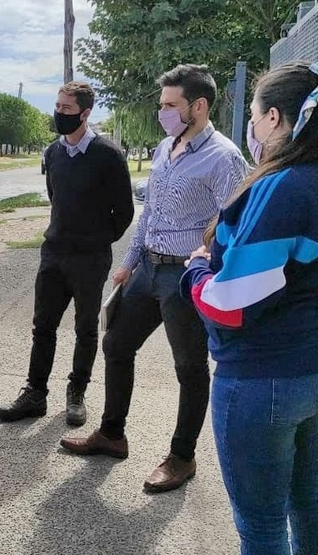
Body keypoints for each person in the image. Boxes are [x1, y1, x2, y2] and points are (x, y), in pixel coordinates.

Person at [182, 50, 318, 554]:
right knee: (305, 494)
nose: (250, 127)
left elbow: (230, 306)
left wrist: (197, 267)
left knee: (261, 525)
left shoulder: (283, 185)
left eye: (252, 116)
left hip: (266, 379)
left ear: (273, 118)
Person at [60, 65, 249, 493]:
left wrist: (206, 263)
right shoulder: (166, 148)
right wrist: (128, 262)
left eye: (169, 105)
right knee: (116, 344)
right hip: (148, 268)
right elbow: (149, 214)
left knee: (189, 367)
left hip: (185, 276)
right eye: (161, 103)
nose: (161, 111)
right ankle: (112, 433)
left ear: (197, 107)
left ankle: (182, 457)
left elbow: (234, 225)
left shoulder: (223, 157)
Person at [0, 81, 134, 427]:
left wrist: (96, 239)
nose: (59, 114)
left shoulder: (108, 155)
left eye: (66, 109)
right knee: (43, 326)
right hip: (53, 254)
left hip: (90, 258)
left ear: (85, 114)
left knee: (85, 328)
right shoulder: (52, 153)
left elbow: (125, 212)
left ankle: (76, 394)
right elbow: (55, 197)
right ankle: (35, 393)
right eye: (57, 107)